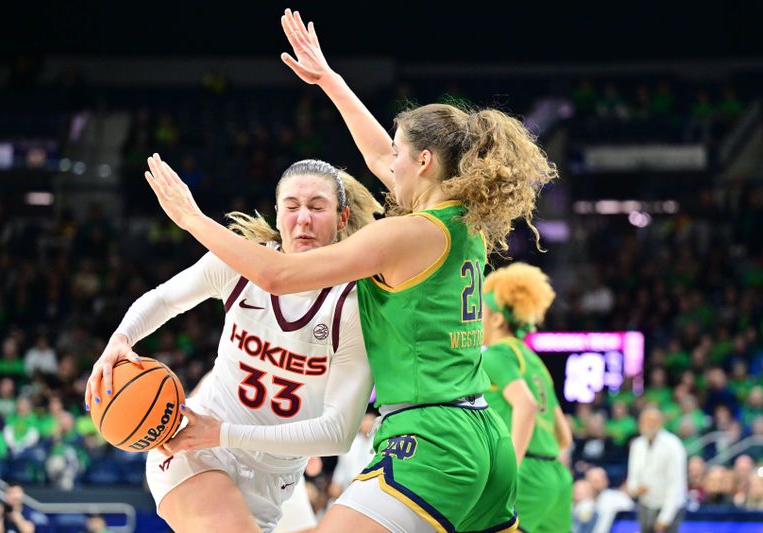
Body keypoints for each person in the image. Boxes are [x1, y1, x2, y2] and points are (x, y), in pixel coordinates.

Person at [142, 8, 557, 531]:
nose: (389, 161)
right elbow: (379, 154)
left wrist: (193, 219)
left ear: (424, 162)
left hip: (431, 439)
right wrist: (331, 82)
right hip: (483, 436)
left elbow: (278, 276)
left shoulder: (403, 233)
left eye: (399, 152)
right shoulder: (463, 219)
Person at [86, 160, 380, 533]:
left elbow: (338, 433)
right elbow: (164, 299)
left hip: (273, 476)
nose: (302, 218)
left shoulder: (355, 305)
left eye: (317, 207)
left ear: (342, 219)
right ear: (277, 215)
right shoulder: (240, 261)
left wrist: (222, 432)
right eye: (291, 206)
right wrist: (120, 339)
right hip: (195, 445)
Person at [480, 263, 573, 533]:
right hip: (556, 476)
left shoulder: (494, 355)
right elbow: (564, 436)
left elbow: (526, 405)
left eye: (482, 311)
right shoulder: (534, 362)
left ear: (496, 319)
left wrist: (511, 469)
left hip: (526, 473)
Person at [627, 407, 687, 533]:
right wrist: (634, 489)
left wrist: (665, 518)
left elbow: (675, 484)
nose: (649, 425)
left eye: (653, 421)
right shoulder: (637, 445)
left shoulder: (673, 445)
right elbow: (632, 475)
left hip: (669, 505)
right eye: (645, 421)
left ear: (660, 422)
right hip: (645, 503)